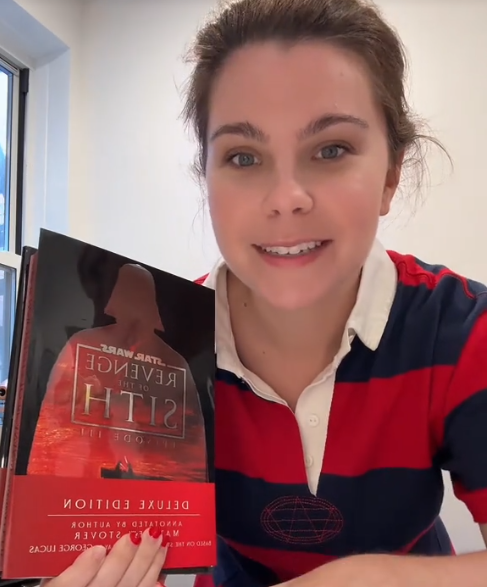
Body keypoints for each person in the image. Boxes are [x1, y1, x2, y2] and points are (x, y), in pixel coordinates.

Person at [42, 0, 487, 585]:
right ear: (207, 177)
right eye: (243, 156)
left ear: (390, 175)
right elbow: (101, 541)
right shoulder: (149, 355)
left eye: (331, 149)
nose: (286, 198)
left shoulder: (462, 331)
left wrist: (354, 580)